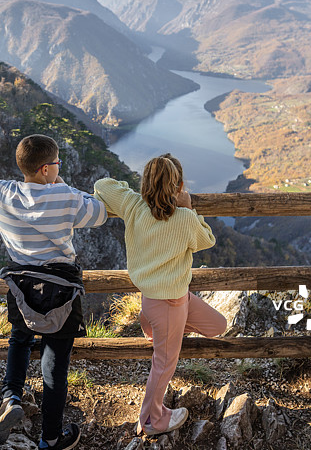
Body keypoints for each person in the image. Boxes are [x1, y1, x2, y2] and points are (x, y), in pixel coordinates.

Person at [0, 134, 107, 450]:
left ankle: (12, 396)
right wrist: (67, 189)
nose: (59, 168)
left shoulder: (1, 194)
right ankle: (51, 439)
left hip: (22, 285)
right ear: (46, 169)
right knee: (55, 363)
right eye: (57, 163)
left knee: (19, 337)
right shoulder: (66, 198)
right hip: (62, 288)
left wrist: (11, 183)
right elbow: (98, 213)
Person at [93, 154, 227, 436]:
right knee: (164, 365)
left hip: (164, 302)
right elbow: (208, 239)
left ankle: (153, 324)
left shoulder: (133, 205)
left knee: (218, 326)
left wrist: (138, 193)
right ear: (178, 187)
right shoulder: (185, 218)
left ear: (146, 184)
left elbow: (102, 185)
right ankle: (151, 420)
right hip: (169, 304)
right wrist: (189, 206)